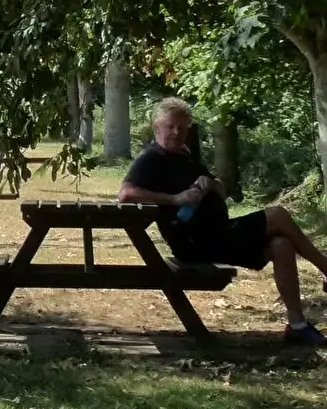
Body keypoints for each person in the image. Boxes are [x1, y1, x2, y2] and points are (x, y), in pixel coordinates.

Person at [119, 97, 327, 345]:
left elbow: (221, 189)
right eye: (170, 126)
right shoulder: (151, 158)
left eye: (182, 128)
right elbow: (126, 195)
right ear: (157, 127)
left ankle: (297, 326)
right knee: (277, 215)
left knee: (281, 244)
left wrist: (209, 183)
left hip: (218, 235)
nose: (176, 132)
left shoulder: (184, 155)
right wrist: (175, 199)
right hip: (196, 242)